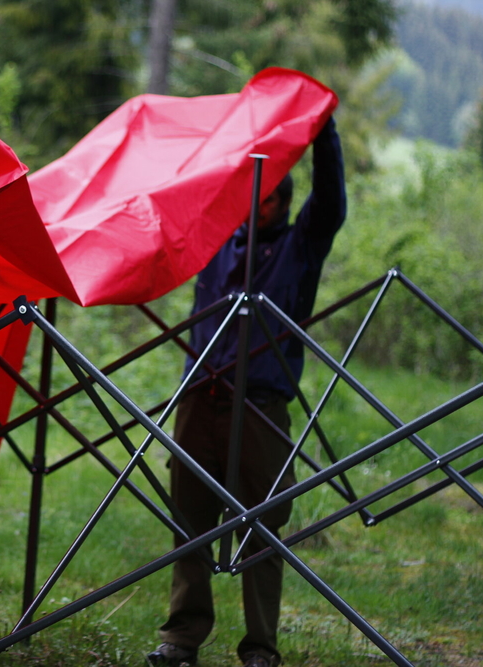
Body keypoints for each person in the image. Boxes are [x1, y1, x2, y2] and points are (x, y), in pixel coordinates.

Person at [148, 117, 346, 667]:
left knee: (265, 527)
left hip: (260, 406)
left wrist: (322, 134)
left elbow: (330, 201)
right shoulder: (214, 242)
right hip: (200, 400)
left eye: (272, 198)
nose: (261, 207)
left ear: (283, 201)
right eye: (253, 198)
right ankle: (181, 640)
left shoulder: (301, 248)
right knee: (189, 520)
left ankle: (260, 648)